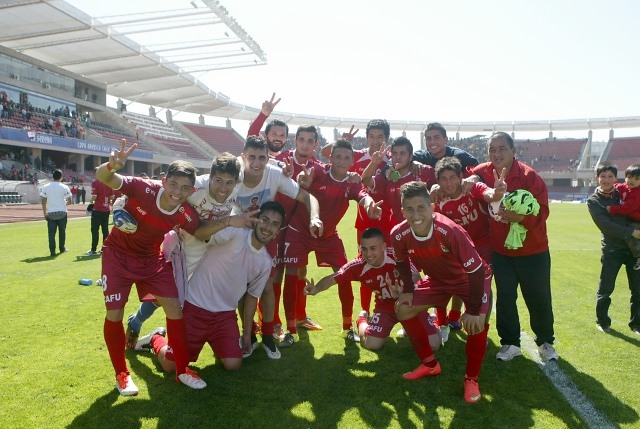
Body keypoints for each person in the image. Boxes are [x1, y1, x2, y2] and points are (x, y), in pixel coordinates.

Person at [96, 139, 206, 396]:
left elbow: (201, 232)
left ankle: (182, 371)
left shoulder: (185, 213)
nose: (178, 191)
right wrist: (113, 164)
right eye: (174, 184)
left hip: (151, 260)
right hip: (117, 256)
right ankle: (122, 375)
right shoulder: (142, 188)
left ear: (191, 191)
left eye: (185, 187)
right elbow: (104, 177)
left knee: (174, 309)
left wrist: (230, 221)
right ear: (164, 180)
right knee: (115, 314)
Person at [194, 136, 323, 356]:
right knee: (240, 287)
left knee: (267, 286)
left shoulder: (274, 174)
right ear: (242, 157)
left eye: (262, 157)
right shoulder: (235, 176)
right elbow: (201, 182)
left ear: (267, 158)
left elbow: (307, 197)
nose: (256, 162)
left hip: (263, 234)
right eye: (251, 157)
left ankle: (267, 336)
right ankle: (249, 334)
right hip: (234, 235)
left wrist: (315, 217)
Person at [136, 202, 285, 373]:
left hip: (225, 316)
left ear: (278, 230)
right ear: (256, 219)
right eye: (265, 220)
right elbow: (201, 234)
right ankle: (155, 338)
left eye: (275, 224)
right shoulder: (235, 233)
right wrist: (228, 221)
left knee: (233, 364)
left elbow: (252, 296)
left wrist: (246, 334)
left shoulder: (265, 262)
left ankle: (218, 345)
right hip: (194, 306)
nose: (268, 227)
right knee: (172, 366)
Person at [125, 152, 245, 351]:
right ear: (210, 176)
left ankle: (211, 337)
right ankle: (138, 323)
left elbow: (249, 159)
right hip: (184, 246)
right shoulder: (196, 186)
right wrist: (123, 204)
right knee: (167, 294)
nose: (223, 188)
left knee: (197, 295)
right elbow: (160, 189)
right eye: (218, 181)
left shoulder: (238, 185)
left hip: (212, 247)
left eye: (229, 183)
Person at [392, 181, 492, 404]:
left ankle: (471, 379)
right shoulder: (398, 234)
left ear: (432, 207)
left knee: (476, 323)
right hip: (438, 280)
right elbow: (400, 261)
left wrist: (474, 309)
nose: (416, 214)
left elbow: (476, 272)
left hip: (470, 280)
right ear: (403, 211)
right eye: (409, 209)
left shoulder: (450, 231)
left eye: (421, 208)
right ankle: (430, 365)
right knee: (403, 309)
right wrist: (408, 290)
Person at [282, 139, 383, 346]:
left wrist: (370, 205)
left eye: (347, 158)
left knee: (344, 276)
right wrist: (304, 177)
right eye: (338, 156)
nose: (341, 161)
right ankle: (290, 330)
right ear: (331, 157)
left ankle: (347, 328)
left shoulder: (351, 183)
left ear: (352, 161)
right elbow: (309, 174)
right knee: (292, 275)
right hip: (299, 231)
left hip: (328, 236)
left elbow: (362, 196)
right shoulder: (319, 171)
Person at [471, 132, 558, 362]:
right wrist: (468, 180)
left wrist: (518, 218)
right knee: (506, 298)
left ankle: (545, 342)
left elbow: (543, 211)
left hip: (534, 251)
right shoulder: (483, 172)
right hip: (501, 252)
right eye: (492, 150)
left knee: (538, 297)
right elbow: (466, 176)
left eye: (502, 149)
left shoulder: (530, 176)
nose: (496, 154)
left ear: (513, 151)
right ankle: (510, 343)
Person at [304, 227, 442, 351]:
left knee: (434, 345)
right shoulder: (358, 265)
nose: (368, 253)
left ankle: (432, 321)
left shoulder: (397, 256)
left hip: (409, 303)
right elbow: (333, 278)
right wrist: (317, 288)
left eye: (373, 248)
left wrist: (404, 291)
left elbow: (416, 276)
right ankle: (362, 320)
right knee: (371, 344)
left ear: (383, 246)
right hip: (385, 307)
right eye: (364, 249)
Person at [431, 157, 506, 340]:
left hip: (482, 245)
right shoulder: (439, 200)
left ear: (460, 177)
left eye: (452, 177)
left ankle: (481, 332)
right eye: (444, 179)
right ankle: (443, 323)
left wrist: (498, 191)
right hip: (456, 248)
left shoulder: (473, 188)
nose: (449, 183)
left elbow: (491, 195)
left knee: (482, 284)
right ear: (438, 182)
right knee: (445, 282)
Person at [322, 120, 391, 317]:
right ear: (366, 137)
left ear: (386, 139)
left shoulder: (392, 160)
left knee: (389, 265)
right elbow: (328, 153)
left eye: (380, 137)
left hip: (388, 222)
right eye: (372, 136)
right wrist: (342, 140)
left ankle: (388, 308)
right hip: (365, 222)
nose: (375, 140)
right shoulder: (358, 156)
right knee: (366, 265)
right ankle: (364, 310)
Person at [587, 162, 640, 334]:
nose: (606, 180)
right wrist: (632, 231)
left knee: (637, 289)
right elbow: (607, 226)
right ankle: (602, 321)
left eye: (610, 176)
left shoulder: (625, 191)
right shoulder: (594, 201)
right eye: (603, 176)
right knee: (606, 289)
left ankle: (636, 323)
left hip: (634, 249)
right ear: (597, 178)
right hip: (612, 250)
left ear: (616, 178)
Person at [606, 164, 640, 270]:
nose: (632, 181)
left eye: (636, 179)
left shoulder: (638, 193)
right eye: (629, 177)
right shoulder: (624, 186)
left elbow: (627, 209)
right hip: (631, 217)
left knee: (632, 236)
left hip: (637, 220)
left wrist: (612, 209)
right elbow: (616, 187)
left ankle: (639, 256)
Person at [413, 122, 479, 170]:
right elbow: (405, 159)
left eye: (436, 137)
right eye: (428, 138)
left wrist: (474, 177)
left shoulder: (460, 156)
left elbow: (478, 171)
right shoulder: (420, 157)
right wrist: (413, 163)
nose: (432, 142)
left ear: (445, 140)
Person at [40, 169, 72, 256]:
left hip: (51, 213)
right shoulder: (65, 187)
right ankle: (62, 248)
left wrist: (44, 213)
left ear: (52, 176)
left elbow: (43, 201)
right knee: (62, 232)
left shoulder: (46, 187)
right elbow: (70, 201)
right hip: (62, 212)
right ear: (61, 177)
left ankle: (52, 251)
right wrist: (63, 203)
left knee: (51, 233)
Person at [86, 168, 114, 255]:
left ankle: (93, 249)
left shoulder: (95, 183)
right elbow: (112, 196)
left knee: (95, 230)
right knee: (105, 230)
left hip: (97, 209)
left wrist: (90, 204)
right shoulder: (108, 182)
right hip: (106, 210)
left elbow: (94, 197)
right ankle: (104, 249)